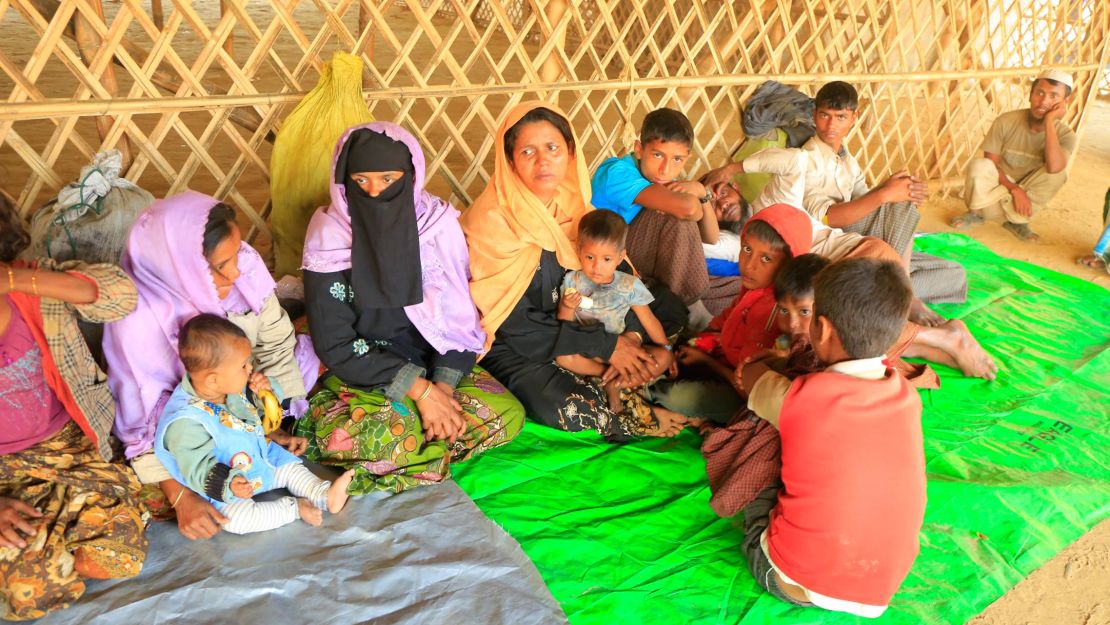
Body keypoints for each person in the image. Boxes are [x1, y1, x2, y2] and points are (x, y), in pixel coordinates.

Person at [297, 121, 524, 495]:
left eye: (388, 179)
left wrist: (443, 389)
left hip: (427, 357)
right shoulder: (329, 237)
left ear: (411, 175)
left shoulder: (436, 225)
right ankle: (417, 449)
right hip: (359, 369)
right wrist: (420, 393)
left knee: (509, 414)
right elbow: (335, 343)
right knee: (389, 436)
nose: (375, 192)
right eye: (361, 181)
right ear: (343, 180)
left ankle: (413, 456)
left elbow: (457, 317)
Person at [462, 101, 689, 441]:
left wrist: (627, 335)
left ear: (569, 152)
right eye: (527, 151)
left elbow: (619, 271)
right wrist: (605, 345)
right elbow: (514, 324)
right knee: (565, 404)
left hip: (586, 320)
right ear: (509, 159)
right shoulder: (491, 223)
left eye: (552, 148)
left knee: (668, 307)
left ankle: (623, 374)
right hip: (525, 342)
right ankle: (632, 406)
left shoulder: (577, 207)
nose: (543, 161)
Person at [104, 191, 317, 541]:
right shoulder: (138, 322)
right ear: (180, 265)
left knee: (308, 380)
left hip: (244, 397)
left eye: (237, 254)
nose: (237, 272)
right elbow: (142, 426)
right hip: (186, 436)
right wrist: (181, 496)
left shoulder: (243, 266)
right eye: (221, 266)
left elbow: (277, 343)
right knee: (190, 506)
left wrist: (274, 420)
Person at [736, 258, 926, 617]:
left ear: (821, 330)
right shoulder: (906, 396)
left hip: (789, 579)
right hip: (880, 585)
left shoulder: (804, 399)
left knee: (761, 452)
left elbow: (751, 379)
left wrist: (766, 362)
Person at [0, 195, 147, 620]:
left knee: (118, 555)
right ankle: (42, 536)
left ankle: (52, 530)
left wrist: (15, 281)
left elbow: (120, 296)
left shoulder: (31, 289)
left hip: (69, 451)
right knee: (29, 590)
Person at [155, 314, 353, 534]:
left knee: (291, 469)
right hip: (231, 483)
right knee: (237, 521)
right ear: (212, 379)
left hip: (260, 458)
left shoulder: (226, 386)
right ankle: (294, 508)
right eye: (243, 365)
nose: (250, 368)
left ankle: (323, 495)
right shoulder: (185, 421)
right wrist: (230, 482)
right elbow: (197, 467)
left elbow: (263, 411)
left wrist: (265, 391)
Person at [660, 204, 813, 425]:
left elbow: (746, 387)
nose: (749, 265)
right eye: (747, 249)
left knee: (672, 395)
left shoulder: (779, 311)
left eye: (766, 259)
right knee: (675, 334)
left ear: (789, 265)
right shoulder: (753, 289)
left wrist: (705, 360)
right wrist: (700, 344)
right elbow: (723, 321)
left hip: (746, 399)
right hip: (725, 360)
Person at [590, 107, 722, 327]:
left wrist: (701, 192)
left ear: (687, 158)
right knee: (674, 215)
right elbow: (688, 210)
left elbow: (712, 237)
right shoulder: (617, 173)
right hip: (604, 255)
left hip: (630, 253)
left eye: (677, 160)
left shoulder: (660, 180)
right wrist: (694, 199)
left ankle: (679, 308)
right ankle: (688, 313)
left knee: (674, 210)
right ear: (639, 149)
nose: (665, 169)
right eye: (658, 155)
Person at [555, 209, 674, 412]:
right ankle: (611, 377)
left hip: (625, 348)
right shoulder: (572, 280)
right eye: (589, 257)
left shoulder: (629, 285)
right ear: (578, 250)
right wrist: (567, 306)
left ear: (620, 258)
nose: (597, 266)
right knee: (563, 358)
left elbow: (649, 319)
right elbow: (564, 326)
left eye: (607, 259)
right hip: (589, 351)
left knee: (662, 358)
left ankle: (613, 383)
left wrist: (667, 349)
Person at [952, 69, 1075, 244]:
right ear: (1031, 94)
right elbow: (991, 164)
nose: (1044, 101)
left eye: (1054, 96)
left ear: (1064, 102)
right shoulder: (1006, 121)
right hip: (997, 190)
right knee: (979, 165)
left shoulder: (1066, 135)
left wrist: (1049, 122)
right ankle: (976, 214)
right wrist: (1014, 189)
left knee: (1058, 174)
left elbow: (1054, 168)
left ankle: (1017, 222)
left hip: (1026, 198)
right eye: (1040, 93)